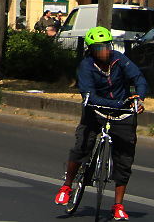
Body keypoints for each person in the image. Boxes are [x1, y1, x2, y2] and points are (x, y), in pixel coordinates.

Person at [55, 25, 148, 221]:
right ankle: (67, 186)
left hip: (123, 114)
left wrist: (139, 98)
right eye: (98, 48)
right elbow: (89, 95)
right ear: (91, 50)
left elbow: (138, 77)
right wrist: (118, 103)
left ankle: (118, 205)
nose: (104, 51)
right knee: (82, 145)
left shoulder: (119, 59)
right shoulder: (87, 66)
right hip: (95, 111)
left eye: (106, 46)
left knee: (125, 159)